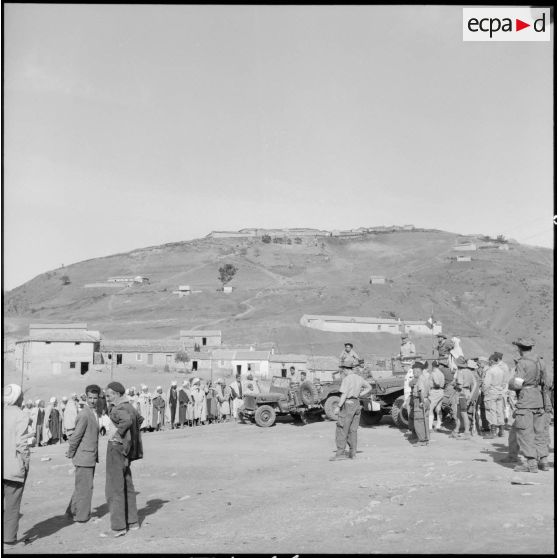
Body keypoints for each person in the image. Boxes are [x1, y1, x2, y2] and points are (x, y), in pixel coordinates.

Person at [102, 381, 143, 538]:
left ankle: (118, 527)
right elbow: (139, 419)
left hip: (116, 448)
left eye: (110, 395)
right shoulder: (130, 406)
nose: (108, 397)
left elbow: (127, 421)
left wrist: (119, 435)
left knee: (115, 487)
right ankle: (132, 522)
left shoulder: (118, 408)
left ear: (117, 394)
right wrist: (129, 440)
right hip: (126, 450)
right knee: (127, 484)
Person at [508, 337, 549, 473]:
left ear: (519, 348)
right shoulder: (540, 361)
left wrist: (511, 384)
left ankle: (531, 463)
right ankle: (543, 460)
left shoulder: (522, 363)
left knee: (525, 432)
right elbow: (546, 383)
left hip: (526, 399)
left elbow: (518, 384)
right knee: (540, 432)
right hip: (539, 399)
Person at [65, 384, 101, 523]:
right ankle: (82, 517)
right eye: (90, 398)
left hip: (89, 455)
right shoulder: (84, 414)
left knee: (81, 485)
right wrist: (70, 452)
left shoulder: (93, 412)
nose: (93, 400)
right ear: (86, 397)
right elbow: (76, 436)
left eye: (95, 398)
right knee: (86, 487)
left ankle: (72, 511)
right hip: (84, 456)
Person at [3, 384, 33, 548]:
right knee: (12, 505)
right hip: (13, 466)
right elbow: (22, 444)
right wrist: (26, 462)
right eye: (21, 396)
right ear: (17, 398)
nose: (23, 399)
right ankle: (8, 539)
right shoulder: (21, 415)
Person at [330, 350, 372, 461]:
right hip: (357, 403)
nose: (342, 371)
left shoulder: (346, 379)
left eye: (342, 369)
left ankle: (340, 453)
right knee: (353, 430)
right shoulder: (359, 378)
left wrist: (338, 406)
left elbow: (344, 394)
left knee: (342, 428)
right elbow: (369, 387)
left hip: (348, 404)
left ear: (345, 369)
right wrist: (359, 394)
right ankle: (353, 453)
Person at [450, 357, 477, 439]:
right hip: (467, 392)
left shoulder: (460, 372)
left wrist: (454, 385)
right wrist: (471, 394)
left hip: (461, 393)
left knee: (463, 413)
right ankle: (456, 430)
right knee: (459, 412)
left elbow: (460, 385)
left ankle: (467, 432)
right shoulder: (469, 372)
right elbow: (475, 384)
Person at [482, 353, 508, 439]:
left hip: (491, 392)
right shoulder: (501, 370)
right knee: (499, 411)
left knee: (491, 411)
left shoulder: (490, 371)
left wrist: (484, 391)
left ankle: (493, 432)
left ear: (492, 361)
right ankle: (501, 431)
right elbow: (504, 383)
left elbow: (486, 384)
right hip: (500, 392)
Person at [409, 361, 430, 446]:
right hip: (426, 399)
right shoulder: (425, 377)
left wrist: (421, 401)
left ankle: (421, 440)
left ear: (418, 371)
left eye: (414, 372)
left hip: (419, 400)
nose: (413, 374)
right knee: (424, 420)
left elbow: (421, 391)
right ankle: (425, 438)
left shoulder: (420, 379)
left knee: (418, 421)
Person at [428, 360, 445, 431]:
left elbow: (437, 382)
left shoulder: (433, 373)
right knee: (438, 409)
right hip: (441, 391)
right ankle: (438, 426)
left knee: (430, 408)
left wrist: (436, 385)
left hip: (435, 391)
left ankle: (429, 427)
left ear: (433, 366)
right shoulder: (441, 373)